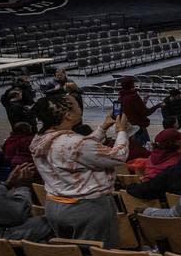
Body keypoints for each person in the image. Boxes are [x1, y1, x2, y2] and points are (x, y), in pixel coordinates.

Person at [29, 92, 128, 246]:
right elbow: (118, 156)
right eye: (76, 105)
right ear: (68, 115)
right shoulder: (76, 143)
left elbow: (76, 152)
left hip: (54, 205)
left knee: (71, 252)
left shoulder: (40, 139)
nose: (80, 108)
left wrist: (102, 128)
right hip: (87, 208)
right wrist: (121, 131)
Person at [119, 76, 160, 146]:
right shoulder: (134, 96)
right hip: (139, 127)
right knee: (145, 147)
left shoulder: (121, 97)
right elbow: (145, 112)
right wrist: (158, 106)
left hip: (129, 127)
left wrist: (143, 102)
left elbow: (133, 109)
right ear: (132, 84)